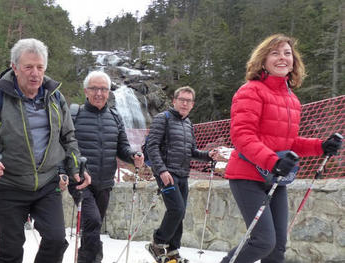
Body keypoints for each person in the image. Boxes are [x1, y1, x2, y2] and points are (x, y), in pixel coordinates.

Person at [220, 34, 342, 263]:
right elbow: (242, 136)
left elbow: (288, 142)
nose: (282, 58)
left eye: (287, 53)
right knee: (263, 241)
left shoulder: (291, 99)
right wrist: (273, 161)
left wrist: (321, 146)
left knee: (277, 250)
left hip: (275, 177)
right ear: (263, 60)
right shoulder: (251, 90)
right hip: (247, 175)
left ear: (294, 61)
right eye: (275, 53)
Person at [0, 38, 86, 263]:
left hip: (47, 184)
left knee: (57, 240)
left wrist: (75, 165)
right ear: (15, 67)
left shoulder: (56, 97)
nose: (35, 73)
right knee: (10, 251)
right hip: (9, 184)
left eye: (40, 67)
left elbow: (68, 138)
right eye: (28, 67)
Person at [68, 71, 144, 262]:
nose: (99, 93)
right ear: (86, 91)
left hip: (105, 183)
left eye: (103, 89)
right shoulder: (74, 115)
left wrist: (133, 155)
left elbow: (122, 147)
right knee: (92, 221)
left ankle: (88, 257)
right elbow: (65, 147)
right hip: (80, 182)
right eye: (94, 88)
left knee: (93, 226)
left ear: (109, 92)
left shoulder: (115, 117)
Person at [145, 86, 218, 263]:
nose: (185, 103)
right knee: (176, 209)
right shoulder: (163, 118)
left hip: (183, 174)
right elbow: (151, 146)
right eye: (182, 100)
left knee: (181, 212)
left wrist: (207, 156)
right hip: (167, 174)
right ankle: (157, 242)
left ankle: (172, 250)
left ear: (192, 104)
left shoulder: (188, 124)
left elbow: (190, 151)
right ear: (174, 101)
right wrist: (161, 170)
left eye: (188, 101)